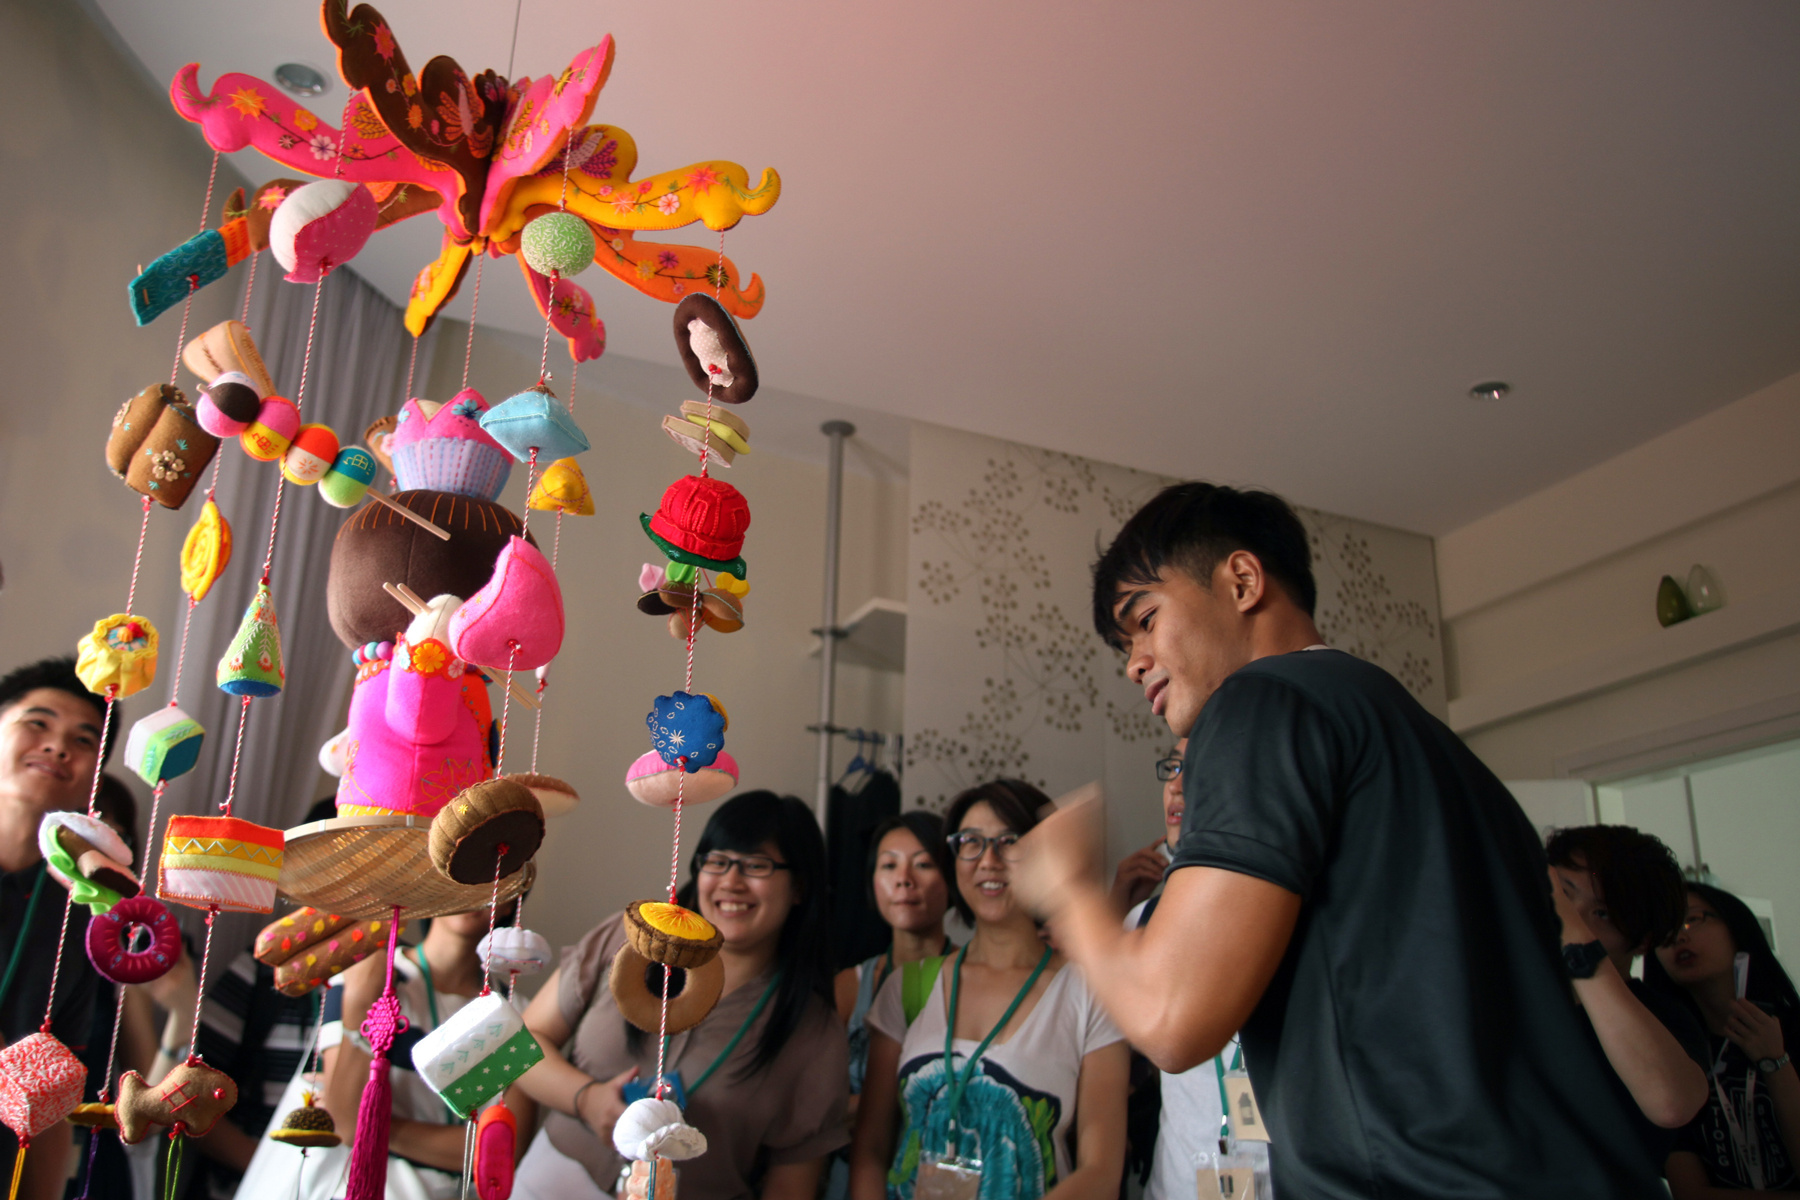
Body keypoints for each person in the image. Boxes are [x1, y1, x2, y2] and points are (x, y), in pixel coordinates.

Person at [1009, 481, 1664, 1198]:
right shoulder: (1435, 747)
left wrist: (1070, 889)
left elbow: (1172, 1020)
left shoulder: (1260, 701)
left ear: (1242, 580)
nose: (1134, 662)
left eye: (1145, 619)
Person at [514, 791, 848, 1200]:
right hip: (551, 1181)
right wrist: (585, 1099)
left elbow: (791, 1185)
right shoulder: (630, 939)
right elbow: (521, 1042)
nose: (731, 881)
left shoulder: (814, 1033)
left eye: (756, 865)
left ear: (799, 887)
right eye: (717, 861)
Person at [849, 780, 1128, 1200]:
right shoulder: (907, 986)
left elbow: (1101, 1171)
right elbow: (870, 1148)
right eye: (971, 842)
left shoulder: (1090, 993)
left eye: (1010, 842)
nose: (989, 860)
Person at [232, 904, 531, 1200]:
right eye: (461, 880)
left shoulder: (517, 1013)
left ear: (509, 900)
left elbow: (501, 1152)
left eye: (493, 881)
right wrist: (363, 996)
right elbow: (343, 1120)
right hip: (348, 1187)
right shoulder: (369, 972)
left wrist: (373, 1124)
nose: (473, 895)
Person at [1116, 740, 1272, 1199]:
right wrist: (1110, 904)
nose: (1177, 785)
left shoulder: (1302, 920)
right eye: (1173, 767)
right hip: (1175, 1186)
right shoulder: (1143, 923)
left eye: (1201, 765)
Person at [0, 657, 112, 1200]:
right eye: (37, 723)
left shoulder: (80, 914)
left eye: (83, 739)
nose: (58, 746)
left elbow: (52, 1100)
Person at [1543, 825, 1709, 1169]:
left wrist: (1575, 939)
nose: (1573, 915)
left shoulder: (1664, 1018)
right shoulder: (1503, 989)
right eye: (1564, 893)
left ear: (1642, 942)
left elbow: (1671, 1104)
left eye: (1602, 913)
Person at [826, 814, 957, 1200]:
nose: (904, 879)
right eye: (889, 865)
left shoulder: (976, 981)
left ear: (952, 878)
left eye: (923, 864)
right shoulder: (849, 987)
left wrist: (861, 1108)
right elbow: (812, 1110)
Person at [1648, 883, 1800, 1193]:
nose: (1677, 937)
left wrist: (1775, 1063)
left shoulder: (1793, 1028)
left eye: (1692, 919)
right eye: (1663, 931)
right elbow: (1690, 1193)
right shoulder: (1672, 1055)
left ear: (1735, 927)